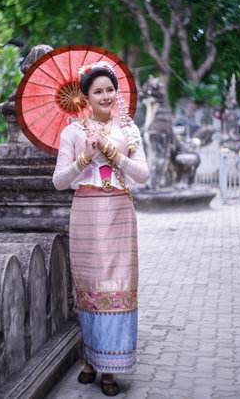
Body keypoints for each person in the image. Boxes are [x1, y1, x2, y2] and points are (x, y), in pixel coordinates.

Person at [53, 61, 149, 396]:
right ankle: (91, 361)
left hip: (120, 214)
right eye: (98, 91)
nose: (106, 96)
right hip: (86, 214)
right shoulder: (73, 132)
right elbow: (58, 182)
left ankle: (111, 367)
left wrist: (112, 153)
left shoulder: (129, 129)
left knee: (119, 286)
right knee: (90, 288)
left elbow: (143, 174)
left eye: (110, 89)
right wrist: (85, 158)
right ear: (86, 97)